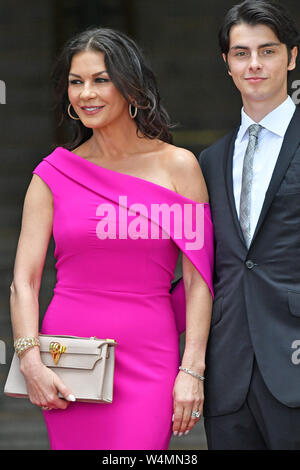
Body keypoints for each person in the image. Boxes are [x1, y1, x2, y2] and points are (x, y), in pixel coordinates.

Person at [9, 27, 214, 450]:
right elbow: (23, 282)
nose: (86, 93)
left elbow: (199, 279)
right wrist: (30, 361)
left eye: (101, 80)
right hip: (70, 362)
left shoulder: (179, 168)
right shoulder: (52, 175)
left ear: (131, 87)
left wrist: (191, 368)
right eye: (76, 82)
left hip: (152, 357)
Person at [198, 0, 300, 450]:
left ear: (292, 57)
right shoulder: (209, 160)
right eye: (241, 53)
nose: (254, 64)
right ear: (227, 63)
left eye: (268, 51)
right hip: (229, 369)